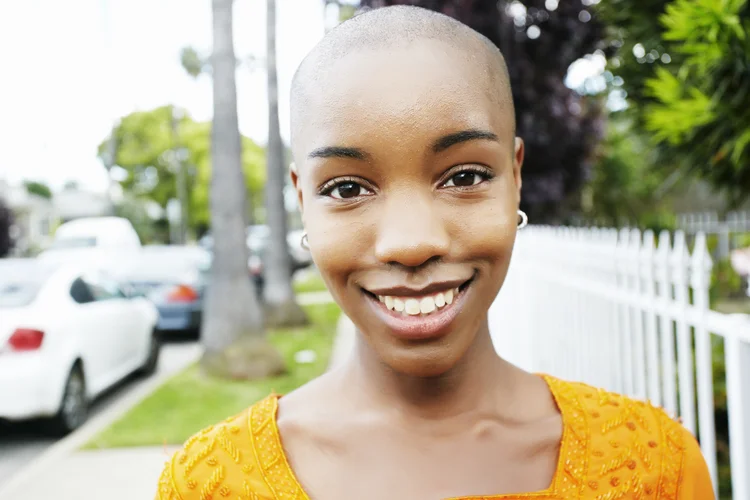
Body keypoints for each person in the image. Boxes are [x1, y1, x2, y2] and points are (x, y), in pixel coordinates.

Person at [156, 6, 714, 499]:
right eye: (347, 188)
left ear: (514, 179)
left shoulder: (657, 470)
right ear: (304, 201)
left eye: (464, 176)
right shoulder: (208, 487)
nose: (411, 242)